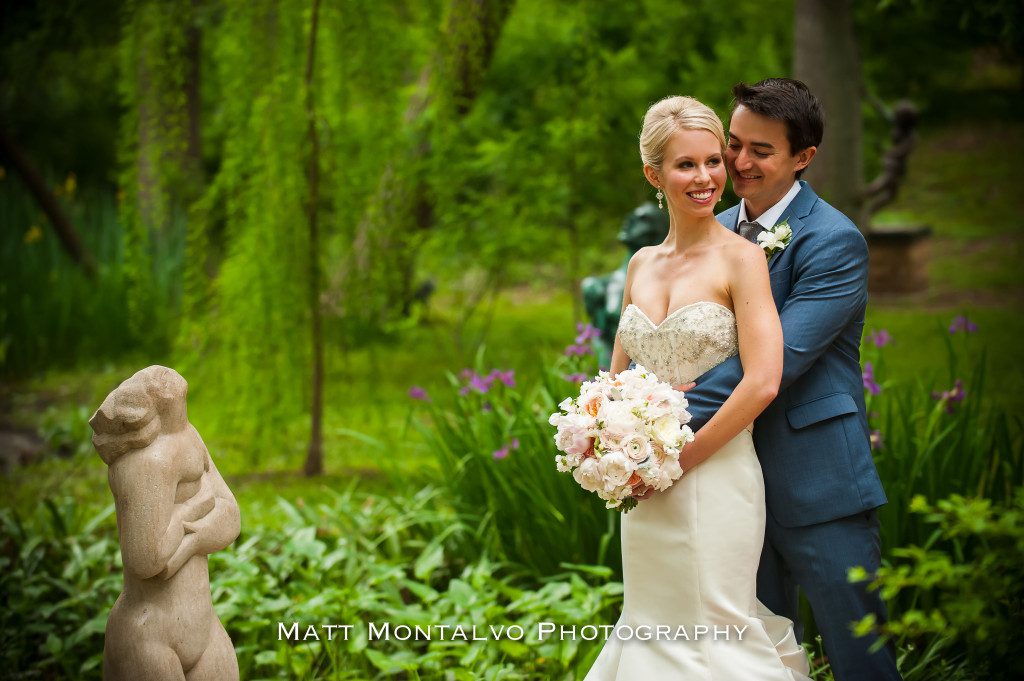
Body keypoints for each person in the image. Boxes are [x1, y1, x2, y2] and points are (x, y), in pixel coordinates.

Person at [584, 95, 810, 680]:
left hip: (714, 477)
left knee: (716, 626)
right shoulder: (640, 264)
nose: (708, 177)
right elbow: (616, 384)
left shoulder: (742, 260)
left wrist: (678, 461)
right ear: (652, 174)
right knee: (653, 623)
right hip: (644, 485)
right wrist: (604, 446)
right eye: (687, 165)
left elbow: (762, 382)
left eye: (714, 161)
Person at [684, 78, 901, 681]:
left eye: (761, 150)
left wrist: (657, 419)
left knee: (862, 659)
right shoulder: (714, 230)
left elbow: (776, 360)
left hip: (818, 482)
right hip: (730, 482)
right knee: (755, 661)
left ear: (803, 158)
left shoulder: (834, 241)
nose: (738, 162)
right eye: (734, 144)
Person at [90, 365, 241, 681]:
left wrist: (190, 541)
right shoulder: (143, 462)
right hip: (149, 634)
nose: (166, 379)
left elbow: (231, 515)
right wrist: (199, 505)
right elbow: (147, 559)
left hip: (203, 624)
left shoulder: (189, 437)